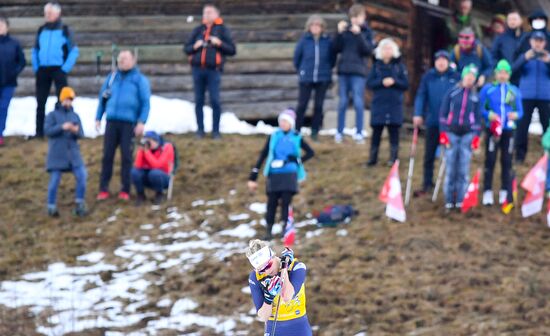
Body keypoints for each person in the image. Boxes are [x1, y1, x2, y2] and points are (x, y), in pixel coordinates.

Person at [247, 109, 314, 241]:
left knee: (286, 202)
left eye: (285, 121)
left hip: (289, 174)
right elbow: (264, 154)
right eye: (281, 121)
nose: (282, 123)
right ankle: (269, 230)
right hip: (274, 173)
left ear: (291, 123)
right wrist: (254, 174)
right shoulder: (274, 136)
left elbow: (311, 152)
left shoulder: (296, 136)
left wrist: (297, 160)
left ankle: (285, 228)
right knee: (271, 202)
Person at [96, 50, 151, 201]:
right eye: (120, 59)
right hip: (111, 122)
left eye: (125, 59)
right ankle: (103, 188)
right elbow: (103, 98)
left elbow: (145, 103)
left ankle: (125, 189)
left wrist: (141, 122)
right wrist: (98, 117)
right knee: (107, 155)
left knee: (126, 157)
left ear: (133, 60)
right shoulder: (112, 78)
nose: (121, 62)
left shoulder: (139, 80)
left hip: (129, 124)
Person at [184, 3, 236, 140]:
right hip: (197, 70)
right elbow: (186, 48)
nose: (206, 15)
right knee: (199, 101)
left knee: (215, 101)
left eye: (209, 12)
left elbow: (232, 50)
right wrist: (195, 46)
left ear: (216, 14)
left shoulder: (222, 30)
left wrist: (219, 43)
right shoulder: (197, 30)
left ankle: (216, 131)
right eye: (204, 12)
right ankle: (200, 130)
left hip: (214, 71)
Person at [413, 50, 460, 196]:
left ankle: (451, 183)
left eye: (444, 60)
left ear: (448, 62)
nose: (441, 63)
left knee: (451, 154)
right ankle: (427, 182)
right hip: (433, 120)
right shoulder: (428, 77)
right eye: (438, 60)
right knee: (429, 153)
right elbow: (421, 95)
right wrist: (418, 113)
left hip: (450, 123)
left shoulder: (455, 77)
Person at [31, 2, 79, 139]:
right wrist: (36, 67)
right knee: (40, 102)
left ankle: (62, 130)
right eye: (46, 13)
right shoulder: (41, 30)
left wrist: (64, 69)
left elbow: (74, 51)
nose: (47, 15)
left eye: (50, 13)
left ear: (58, 13)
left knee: (62, 101)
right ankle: (39, 132)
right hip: (43, 70)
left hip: (59, 70)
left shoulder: (65, 30)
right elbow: (35, 50)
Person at [479, 60, 523, 207]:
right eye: (500, 72)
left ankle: (505, 191)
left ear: (509, 75)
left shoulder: (514, 91)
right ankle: (487, 191)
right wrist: (489, 115)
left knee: (507, 160)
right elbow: (481, 108)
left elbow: (521, 111)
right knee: (490, 159)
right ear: (496, 73)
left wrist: (515, 115)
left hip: (509, 131)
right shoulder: (488, 89)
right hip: (493, 130)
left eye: (505, 73)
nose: (503, 75)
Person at [439, 64, 482, 212]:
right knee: (451, 167)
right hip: (452, 133)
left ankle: (460, 199)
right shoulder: (452, 92)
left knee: (463, 168)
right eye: (468, 75)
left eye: (472, 77)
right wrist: (443, 132)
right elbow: (443, 113)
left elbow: (477, 118)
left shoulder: (475, 96)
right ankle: (449, 200)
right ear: (463, 76)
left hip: (467, 135)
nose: (470, 79)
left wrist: (476, 136)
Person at [246, 240, 312, 336]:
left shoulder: (296, 267)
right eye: (261, 270)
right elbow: (263, 317)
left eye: (268, 265)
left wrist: (284, 268)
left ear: (272, 255)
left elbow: (287, 296)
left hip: (298, 328)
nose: (267, 272)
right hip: (274, 328)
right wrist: (269, 298)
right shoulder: (255, 277)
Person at [333, 3, 375, 144]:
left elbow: (368, 51)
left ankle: (359, 132)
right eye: (354, 17)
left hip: (359, 72)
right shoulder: (345, 31)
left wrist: (359, 35)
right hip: (344, 70)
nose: (356, 20)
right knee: (343, 102)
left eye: (359, 17)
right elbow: (335, 48)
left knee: (358, 102)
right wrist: (338, 33)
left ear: (363, 18)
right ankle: (339, 132)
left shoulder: (367, 32)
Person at [44, 87, 87, 217]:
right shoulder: (52, 115)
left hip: (73, 154)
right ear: (61, 99)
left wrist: (75, 131)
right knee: (55, 180)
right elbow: (47, 131)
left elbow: (81, 134)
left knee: (82, 176)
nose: (68, 102)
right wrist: (62, 127)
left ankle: (80, 203)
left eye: (71, 100)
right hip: (57, 154)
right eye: (67, 99)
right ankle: (51, 206)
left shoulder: (75, 116)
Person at [366, 38, 409, 166]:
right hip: (379, 103)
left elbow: (405, 84)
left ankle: (394, 158)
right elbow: (369, 83)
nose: (387, 51)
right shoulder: (376, 67)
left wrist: (394, 81)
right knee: (376, 132)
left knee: (394, 132)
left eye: (390, 48)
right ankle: (373, 158)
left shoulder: (400, 67)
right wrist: (381, 82)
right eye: (385, 48)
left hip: (394, 104)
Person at [293, 15, 334, 141]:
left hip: (322, 79)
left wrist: (326, 72)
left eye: (318, 26)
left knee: (318, 106)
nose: (315, 28)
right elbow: (296, 59)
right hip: (306, 78)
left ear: (322, 28)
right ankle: (297, 131)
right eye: (313, 25)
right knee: (302, 105)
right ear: (309, 27)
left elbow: (332, 59)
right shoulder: (304, 41)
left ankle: (315, 132)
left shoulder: (327, 41)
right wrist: (303, 71)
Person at [512, 31, 550, 164]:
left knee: (547, 127)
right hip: (526, 96)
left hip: (545, 97)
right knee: (522, 127)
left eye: (540, 41)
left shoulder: (547, 57)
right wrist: (524, 58)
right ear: (531, 42)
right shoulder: (526, 56)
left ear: (544, 43)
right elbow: (513, 70)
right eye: (536, 41)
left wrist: (548, 61)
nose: (538, 43)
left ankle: (547, 154)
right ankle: (519, 156)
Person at [0, 16, 26, 146]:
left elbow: (21, 61)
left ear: (7, 27)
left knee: (3, 108)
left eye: (2, 25)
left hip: (8, 83)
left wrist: (13, 72)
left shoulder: (14, 43)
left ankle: (0, 134)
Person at [132, 131, 175, 205]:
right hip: (147, 176)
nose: (148, 144)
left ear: (156, 141)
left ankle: (159, 194)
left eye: (149, 141)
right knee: (134, 172)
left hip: (163, 177)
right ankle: (140, 195)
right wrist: (141, 151)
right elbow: (138, 165)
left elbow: (157, 165)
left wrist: (146, 152)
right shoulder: (146, 149)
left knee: (154, 173)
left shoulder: (166, 147)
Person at [491, 10, 524, 85]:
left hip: (523, 78)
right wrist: (498, 70)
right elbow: (493, 56)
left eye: (515, 19)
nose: (512, 22)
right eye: (510, 19)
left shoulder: (526, 37)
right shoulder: (500, 38)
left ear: (521, 20)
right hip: (505, 76)